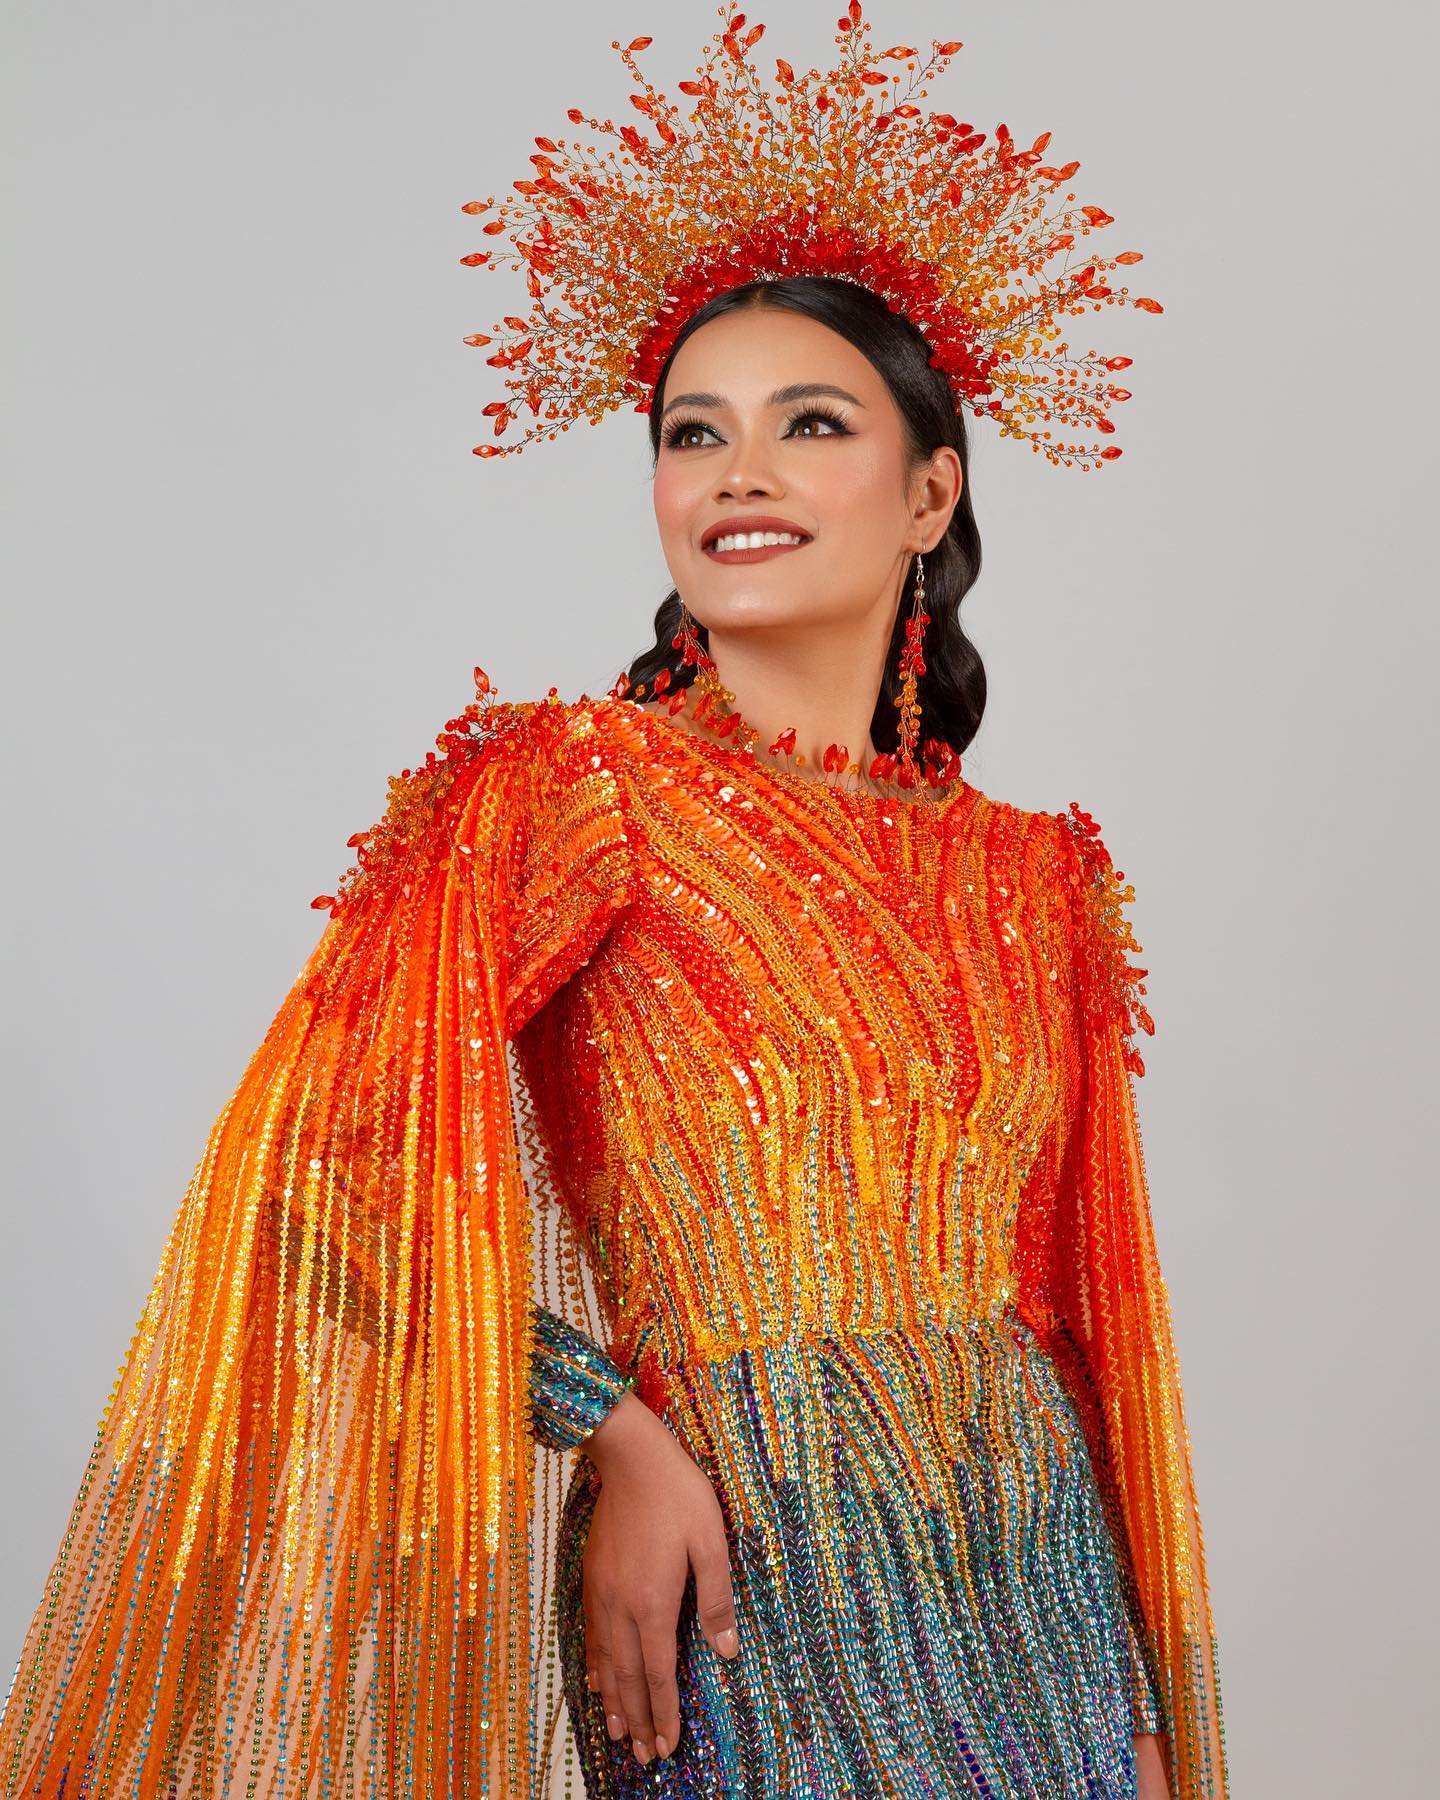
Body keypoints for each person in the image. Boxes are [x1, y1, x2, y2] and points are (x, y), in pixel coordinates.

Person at [0, 7, 1229, 1797]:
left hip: (1041, 1588)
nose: (738, 472)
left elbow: (1071, 1315)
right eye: (691, 431)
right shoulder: (572, 788)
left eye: (810, 424)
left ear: (929, 494)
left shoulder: (1035, 874)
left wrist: (1140, 1691)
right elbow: (324, 1176)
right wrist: (615, 1434)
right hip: (740, 1574)